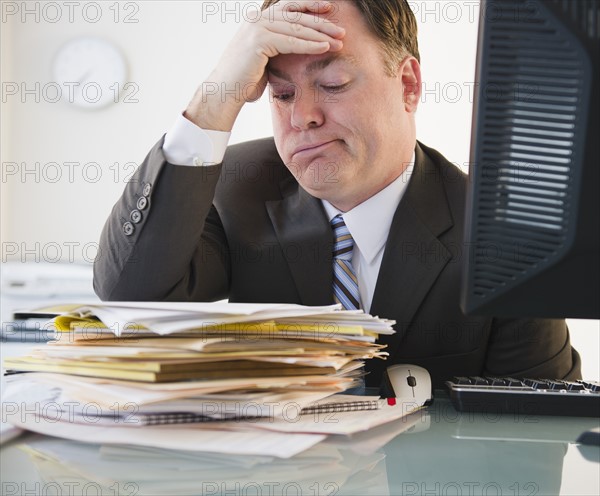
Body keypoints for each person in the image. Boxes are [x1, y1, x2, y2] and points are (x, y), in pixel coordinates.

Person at [94, 0, 580, 388]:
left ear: (408, 85)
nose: (302, 115)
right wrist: (215, 97)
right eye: (282, 95)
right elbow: (130, 295)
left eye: (332, 82)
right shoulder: (234, 184)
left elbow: (531, 432)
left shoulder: (507, 235)